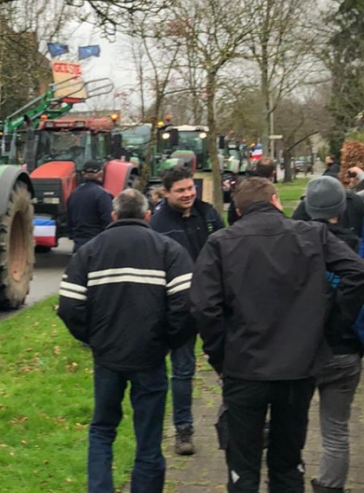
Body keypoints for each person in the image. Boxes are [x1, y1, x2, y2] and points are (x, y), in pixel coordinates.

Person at [191, 177, 364, 493]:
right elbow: (356, 273)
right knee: (287, 463)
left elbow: (205, 307)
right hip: (297, 368)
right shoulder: (313, 234)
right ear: (275, 201)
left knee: (242, 468)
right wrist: (330, 325)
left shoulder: (221, 242)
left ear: (239, 211)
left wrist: (220, 355)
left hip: (244, 367)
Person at [59, 189, 194, 493]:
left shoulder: (89, 252)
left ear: (114, 216)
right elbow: (186, 308)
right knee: (148, 438)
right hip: (151, 357)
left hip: (107, 357)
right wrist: (168, 342)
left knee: (103, 429)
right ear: (147, 215)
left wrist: (94, 338)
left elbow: (69, 306)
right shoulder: (169, 251)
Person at [149, 167, 224, 456]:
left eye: (190, 188)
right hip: (180, 309)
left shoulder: (209, 215)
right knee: (182, 371)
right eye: (180, 190)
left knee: (232, 363)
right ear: (166, 193)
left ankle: (241, 421)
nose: (188, 194)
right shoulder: (158, 224)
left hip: (215, 302)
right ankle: (183, 429)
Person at [298, 176, 364, 493]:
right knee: (336, 429)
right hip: (345, 349)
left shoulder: (295, 244)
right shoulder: (355, 245)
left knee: (293, 421)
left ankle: (288, 474)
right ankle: (330, 486)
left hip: (303, 349)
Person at [67, 160, 114, 253]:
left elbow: (69, 219)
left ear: (83, 173)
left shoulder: (73, 194)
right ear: (100, 173)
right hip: (97, 244)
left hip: (78, 244)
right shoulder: (103, 195)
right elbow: (108, 220)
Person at [228, 160, 274, 226]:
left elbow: (232, 214)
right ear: (272, 174)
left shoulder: (243, 186)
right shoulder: (268, 191)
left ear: (256, 169)